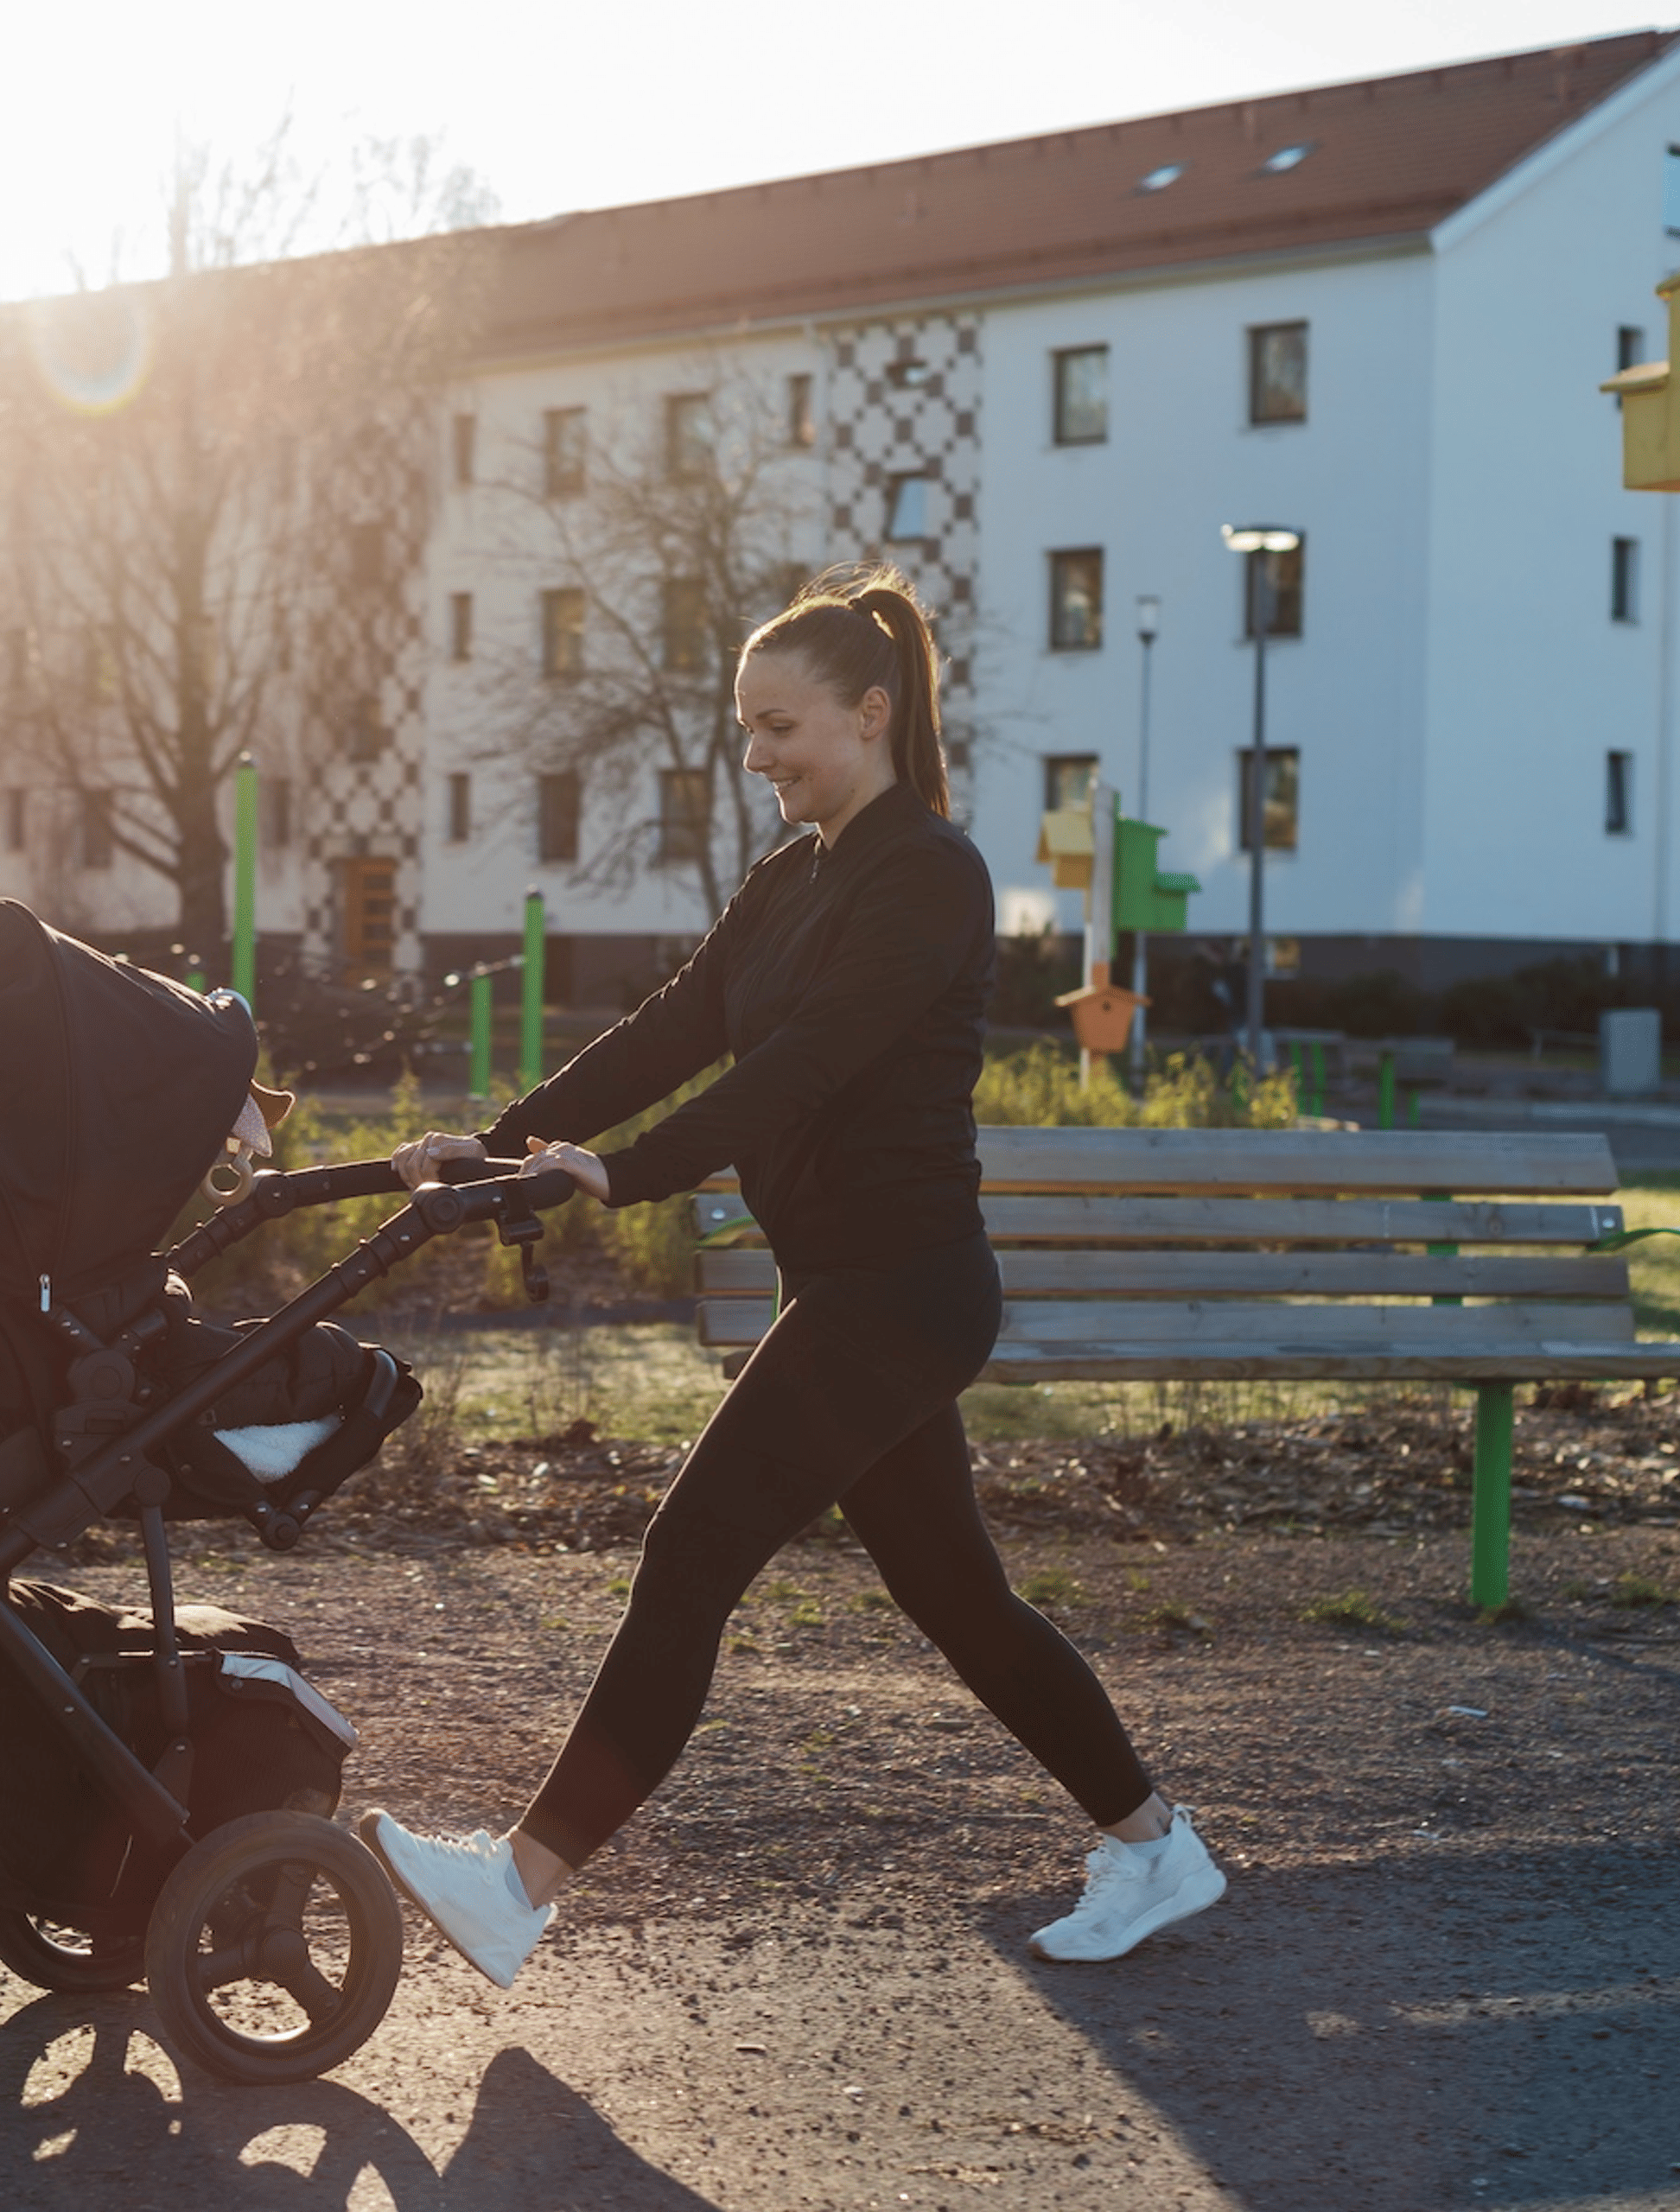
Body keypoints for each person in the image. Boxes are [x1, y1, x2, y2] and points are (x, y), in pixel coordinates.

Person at [361, 563, 1223, 1987]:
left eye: (780, 728)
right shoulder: (794, 872)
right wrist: (502, 1140)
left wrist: (619, 1172)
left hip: (903, 1293)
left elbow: (801, 1065)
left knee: (689, 1556)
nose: (755, 757)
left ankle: (522, 1884)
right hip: (851, 1292)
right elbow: (677, 1023)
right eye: (747, 729)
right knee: (957, 1598)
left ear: (869, 716)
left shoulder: (930, 877)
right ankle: (1153, 1843)